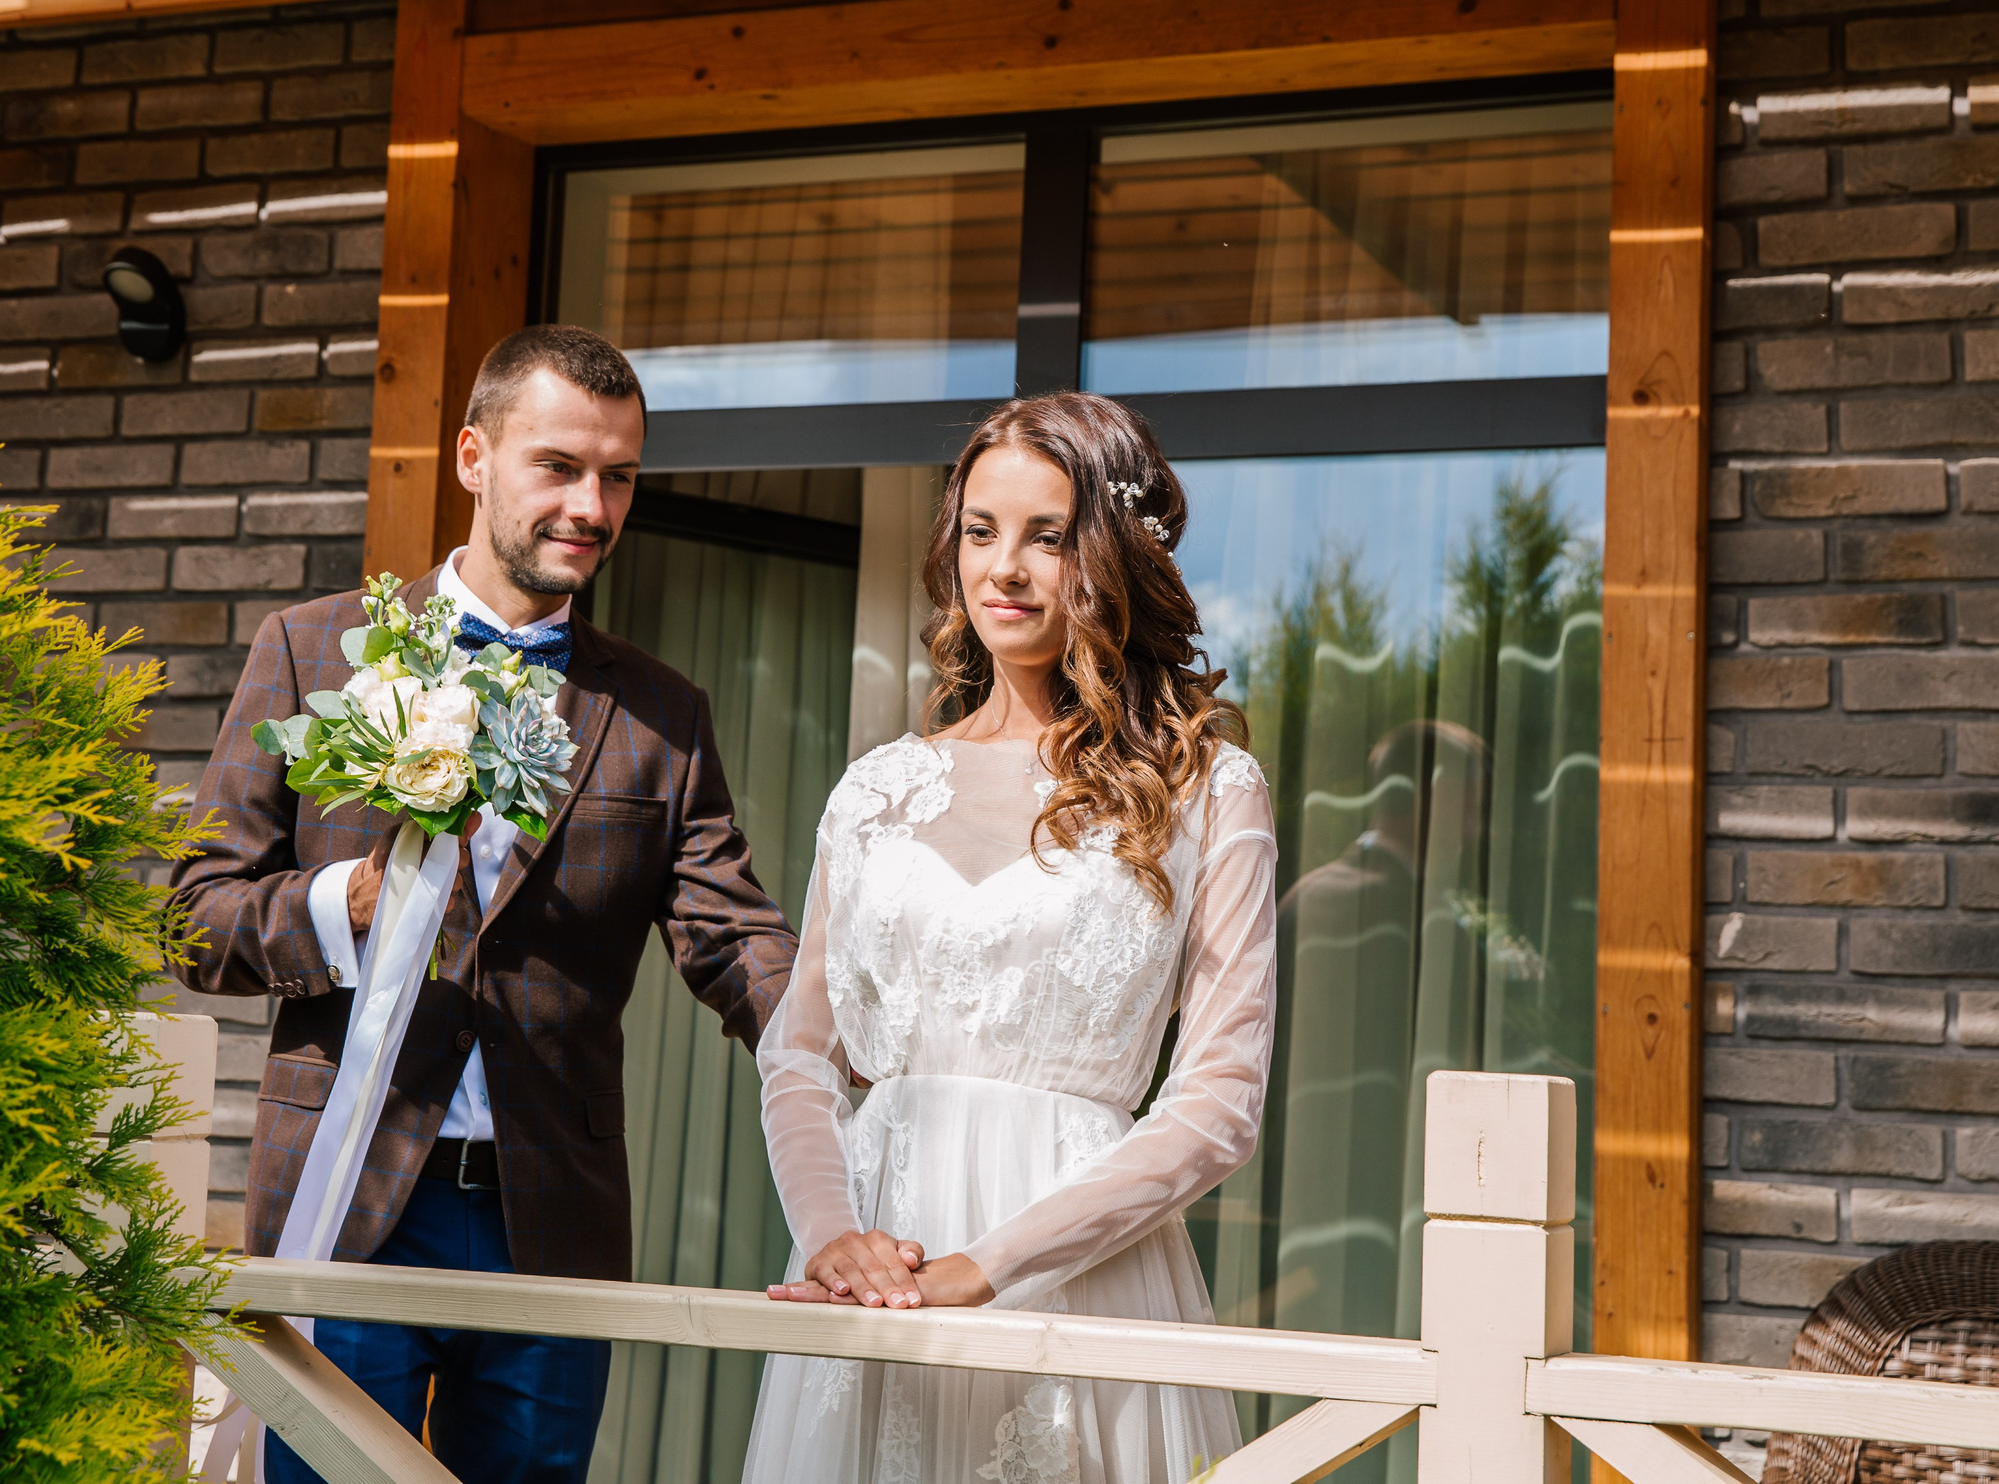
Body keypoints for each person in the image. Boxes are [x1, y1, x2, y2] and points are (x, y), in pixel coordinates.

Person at [171, 324, 798, 1484]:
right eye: (559, 466)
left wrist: (851, 1039)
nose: (591, 505)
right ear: (472, 457)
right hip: (351, 1195)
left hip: (548, 1221)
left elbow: (730, 934)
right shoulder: (313, 652)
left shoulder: (664, 711)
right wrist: (343, 902)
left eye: (618, 476)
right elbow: (195, 916)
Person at [743, 391, 1278, 1484]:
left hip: (1077, 1275)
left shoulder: (1209, 788)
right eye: (981, 532)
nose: (1006, 569)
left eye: (1048, 536)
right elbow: (799, 1053)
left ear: (1115, 555)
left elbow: (1220, 1102)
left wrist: (986, 1269)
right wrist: (830, 1233)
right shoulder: (875, 789)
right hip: (872, 1270)